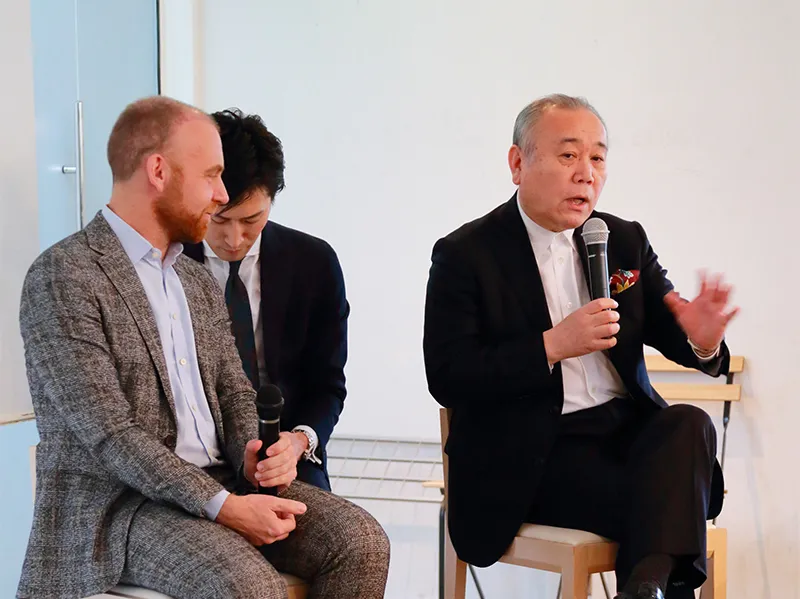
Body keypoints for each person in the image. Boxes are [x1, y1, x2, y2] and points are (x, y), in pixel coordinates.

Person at [17, 96, 389, 599]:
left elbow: (234, 393)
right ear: (158, 171)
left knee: (362, 543)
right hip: (120, 508)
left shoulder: (192, 280)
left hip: (223, 481)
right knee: (248, 585)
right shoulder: (64, 275)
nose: (220, 195)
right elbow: (109, 434)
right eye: (211, 175)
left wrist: (251, 455)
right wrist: (224, 506)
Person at [423, 94, 737, 599]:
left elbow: (674, 329)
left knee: (689, 424)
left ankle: (645, 586)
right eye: (568, 155)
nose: (586, 174)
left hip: (624, 440)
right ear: (518, 163)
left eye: (597, 157)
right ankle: (652, 583)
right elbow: (448, 375)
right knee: (670, 503)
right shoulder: (466, 254)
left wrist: (702, 341)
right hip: (533, 459)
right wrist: (550, 346)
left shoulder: (622, 239)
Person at [184, 109, 348, 491]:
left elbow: (327, 383)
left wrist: (299, 441)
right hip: (193, 457)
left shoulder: (313, 263)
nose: (234, 239)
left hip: (283, 451)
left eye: (251, 220)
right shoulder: (167, 263)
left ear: (273, 200)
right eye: (218, 220)